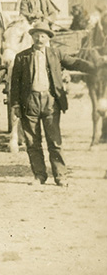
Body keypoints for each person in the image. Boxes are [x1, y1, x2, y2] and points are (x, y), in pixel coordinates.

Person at [10, 22, 94, 187]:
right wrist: (15, 105)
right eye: (36, 35)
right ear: (31, 37)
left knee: (54, 141)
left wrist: (97, 67)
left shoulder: (56, 54)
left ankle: (60, 176)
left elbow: (75, 63)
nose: (39, 38)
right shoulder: (22, 57)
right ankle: (39, 176)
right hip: (30, 103)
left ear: (48, 38)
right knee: (32, 142)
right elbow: (15, 84)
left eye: (43, 35)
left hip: (50, 102)